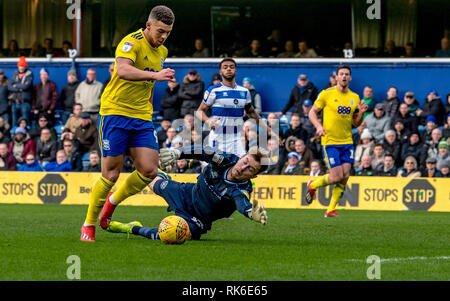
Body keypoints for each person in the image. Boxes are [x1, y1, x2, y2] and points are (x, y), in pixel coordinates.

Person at [81, 5, 176, 242]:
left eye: (168, 32)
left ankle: (111, 205)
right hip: (115, 112)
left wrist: (149, 107)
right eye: (160, 31)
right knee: (111, 173)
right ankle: (89, 225)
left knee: (149, 170)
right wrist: (156, 75)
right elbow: (122, 70)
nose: (163, 36)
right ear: (148, 25)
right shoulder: (131, 42)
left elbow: (150, 86)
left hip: (142, 116)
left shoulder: (162, 51)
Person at [106, 145, 268, 241]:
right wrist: (178, 153)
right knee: (151, 180)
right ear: (241, 157)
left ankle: (133, 228)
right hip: (186, 193)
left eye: (250, 169)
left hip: (198, 219)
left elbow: (242, 203)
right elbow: (203, 151)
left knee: (167, 236)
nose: (243, 168)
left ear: (253, 176)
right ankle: (163, 176)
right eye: (245, 162)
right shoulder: (224, 159)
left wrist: (248, 213)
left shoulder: (240, 190)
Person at [306, 65, 368, 217]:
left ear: (350, 78)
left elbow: (356, 123)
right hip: (330, 141)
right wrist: (319, 126)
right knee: (336, 177)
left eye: (347, 74)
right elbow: (312, 112)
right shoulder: (327, 94)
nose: (344, 77)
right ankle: (313, 184)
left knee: (345, 176)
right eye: (341, 74)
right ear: (337, 77)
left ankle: (331, 209)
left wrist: (362, 114)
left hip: (347, 141)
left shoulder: (354, 97)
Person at [196, 58, 275, 157]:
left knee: (243, 168)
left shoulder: (244, 91)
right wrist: (208, 121)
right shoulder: (213, 90)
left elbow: (251, 113)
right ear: (221, 72)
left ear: (235, 71)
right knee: (215, 170)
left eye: (231, 67)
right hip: (218, 138)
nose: (228, 69)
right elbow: (199, 112)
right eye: (225, 67)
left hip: (237, 139)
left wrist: (268, 129)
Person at [8, 56, 33, 127]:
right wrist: (18, 88)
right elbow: (9, 86)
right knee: (14, 122)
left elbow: (26, 86)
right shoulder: (15, 74)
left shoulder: (29, 74)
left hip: (24, 102)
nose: (21, 67)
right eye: (20, 65)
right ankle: (14, 135)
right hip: (15, 102)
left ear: (25, 66)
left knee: (26, 121)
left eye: (23, 65)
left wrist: (15, 85)